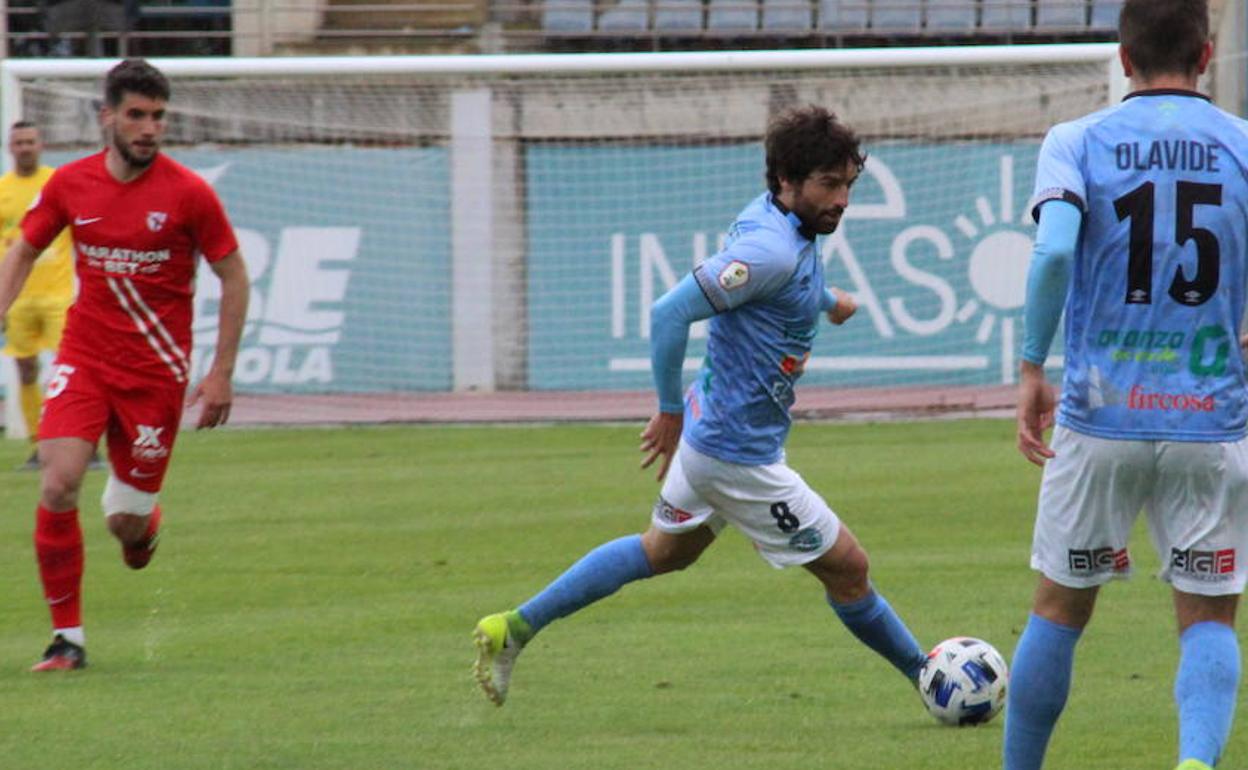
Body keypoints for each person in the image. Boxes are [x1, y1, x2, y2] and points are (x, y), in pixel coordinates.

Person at [473, 105, 929, 710]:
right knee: (850, 569)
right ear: (788, 181)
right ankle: (935, 680)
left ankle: (514, 628)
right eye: (829, 184)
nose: (842, 199)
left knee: (662, 552)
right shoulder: (768, 247)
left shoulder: (782, 224)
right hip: (736, 453)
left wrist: (828, 300)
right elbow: (669, 313)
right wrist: (667, 411)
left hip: (716, 428)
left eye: (848, 184)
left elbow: (788, 282)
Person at [1010, 2, 1248, 768]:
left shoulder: (1076, 141)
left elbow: (1052, 258)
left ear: (1122, 58)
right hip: (1212, 419)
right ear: (1207, 54)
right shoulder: (1243, 146)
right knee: (1209, 619)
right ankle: (1194, 765)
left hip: (1102, 415)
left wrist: (1030, 368)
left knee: (1058, 611)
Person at [0, 58, 250, 671]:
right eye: (137, 115)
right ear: (106, 116)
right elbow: (23, 249)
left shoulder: (190, 194)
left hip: (154, 377)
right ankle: (68, 641)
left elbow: (233, 274)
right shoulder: (71, 185)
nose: (149, 128)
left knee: (126, 526)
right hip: (85, 359)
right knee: (58, 482)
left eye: (158, 116)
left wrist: (220, 373)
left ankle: (143, 526)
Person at [0, 121, 77, 469]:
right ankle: (38, 447)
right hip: (20, 298)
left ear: (41, 144)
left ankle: (81, 443)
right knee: (25, 369)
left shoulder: (58, 183)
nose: (25, 147)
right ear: (9, 147)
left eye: (31, 141)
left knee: (73, 372)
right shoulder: (2, 190)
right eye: (19, 142)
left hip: (58, 297)